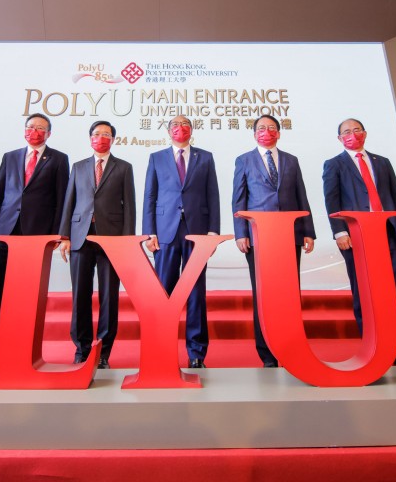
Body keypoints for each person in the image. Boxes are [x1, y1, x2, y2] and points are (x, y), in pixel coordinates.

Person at [322, 118, 396, 366]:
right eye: (346, 131)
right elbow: (331, 201)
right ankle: (372, 347)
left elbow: (395, 197)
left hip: (387, 233)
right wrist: (339, 232)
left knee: (392, 292)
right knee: (363, 292)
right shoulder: (334, 164)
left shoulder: (382, 162)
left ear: (364, 134)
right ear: (339, 138)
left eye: (356, 130)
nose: (352, 134)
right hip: (355, 236)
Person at [0, 113, 69, 369]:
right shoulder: (10, 157)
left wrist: (57, 233)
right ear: (24, 130)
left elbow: (61, 198)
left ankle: (22, 351)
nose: (35, 131)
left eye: (41, 128)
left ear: (49, 134)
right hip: (5, 231)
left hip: (37, 235)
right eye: (31, 127)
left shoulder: (59, 159)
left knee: (28, 294)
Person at [232, 115, 315, 367]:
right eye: (261, 128)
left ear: (279, 133)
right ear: (254, 134)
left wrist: (308, 231)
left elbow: (301, 196)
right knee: (263, 295)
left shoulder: (291, 160)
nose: (266, 132)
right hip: (258, 237)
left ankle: (291, 347)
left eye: (271, 128)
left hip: (290, 235)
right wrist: (241, 233)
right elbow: (239, 200)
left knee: (289, 294)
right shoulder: (244, 160)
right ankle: (267, 353)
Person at [143, 115, 220, 369]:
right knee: (163, 290)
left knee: (196, 291)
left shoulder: (205, 157)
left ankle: (196, 352)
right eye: (175, 125)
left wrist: (213, 232)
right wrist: (149, 232)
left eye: (185, 124)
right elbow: (150, 196)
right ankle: (160, 347)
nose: (180, 128)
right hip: (165, 231)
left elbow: (213, 194)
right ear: (168, 131)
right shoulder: (156, 158)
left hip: (197, 231)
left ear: (192, 130)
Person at [58, 120, 136, 369]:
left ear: (113, 139)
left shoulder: (124, 167)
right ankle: (81, 349)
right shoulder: (78, 166)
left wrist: (126, 241)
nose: (101, 137)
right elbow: (69, 201)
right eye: (97, 133)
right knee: (80, 295)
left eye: (106, 134)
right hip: (80, 236)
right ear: (90, 137)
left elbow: (130, 206)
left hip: (111, 239)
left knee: (109, 297)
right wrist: (65, 236)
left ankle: (103, 352)